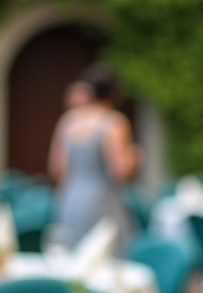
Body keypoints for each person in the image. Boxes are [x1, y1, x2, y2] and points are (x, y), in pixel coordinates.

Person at [50, 64, 137, 246]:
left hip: (69, 198)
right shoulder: (114, 123)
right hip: (101, 200)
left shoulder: (69, 120)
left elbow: (56, 168)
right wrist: (133, 158)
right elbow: (119, 172)